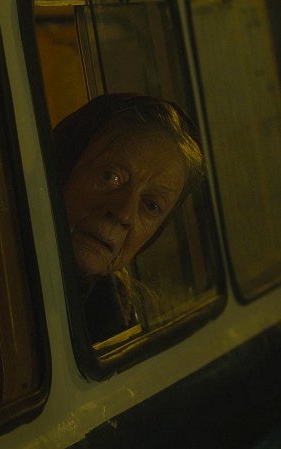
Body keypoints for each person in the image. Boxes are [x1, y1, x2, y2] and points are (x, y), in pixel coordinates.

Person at [52, 93, 205, 342]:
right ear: (62, 166)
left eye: (151, 206)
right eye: (111, 176)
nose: (123, 213)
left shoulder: (124, 314)